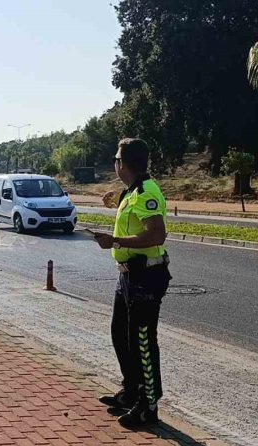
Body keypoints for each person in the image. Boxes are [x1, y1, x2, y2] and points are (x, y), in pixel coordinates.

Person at [93, 138, 171, 428]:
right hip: (127, 275)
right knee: (121, 335)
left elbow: (156, 235)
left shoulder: (147, 191)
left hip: (146, 276)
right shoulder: (132, 191)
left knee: (142, 341)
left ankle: (148, 406)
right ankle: (131, 392)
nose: (115, 163)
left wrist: (115, 241)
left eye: (116, 159)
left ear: (123, 164)